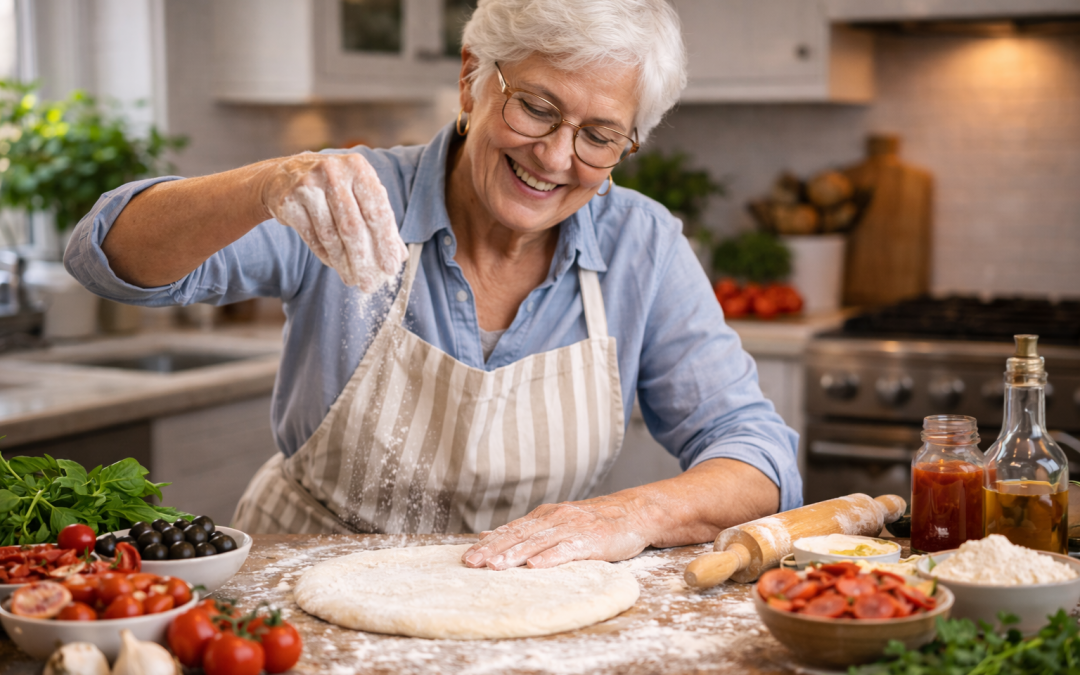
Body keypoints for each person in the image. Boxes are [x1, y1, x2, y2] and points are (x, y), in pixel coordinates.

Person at [65, 0, 801, 571]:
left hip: (512, 599)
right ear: (473, 77)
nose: (554, 156)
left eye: (599, 135)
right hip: (297, 586)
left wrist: (627, 516)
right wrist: (267, 184)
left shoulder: (640, 244)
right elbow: (106, 259)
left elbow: (757, 453)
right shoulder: (345, 196)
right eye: (537, 107)